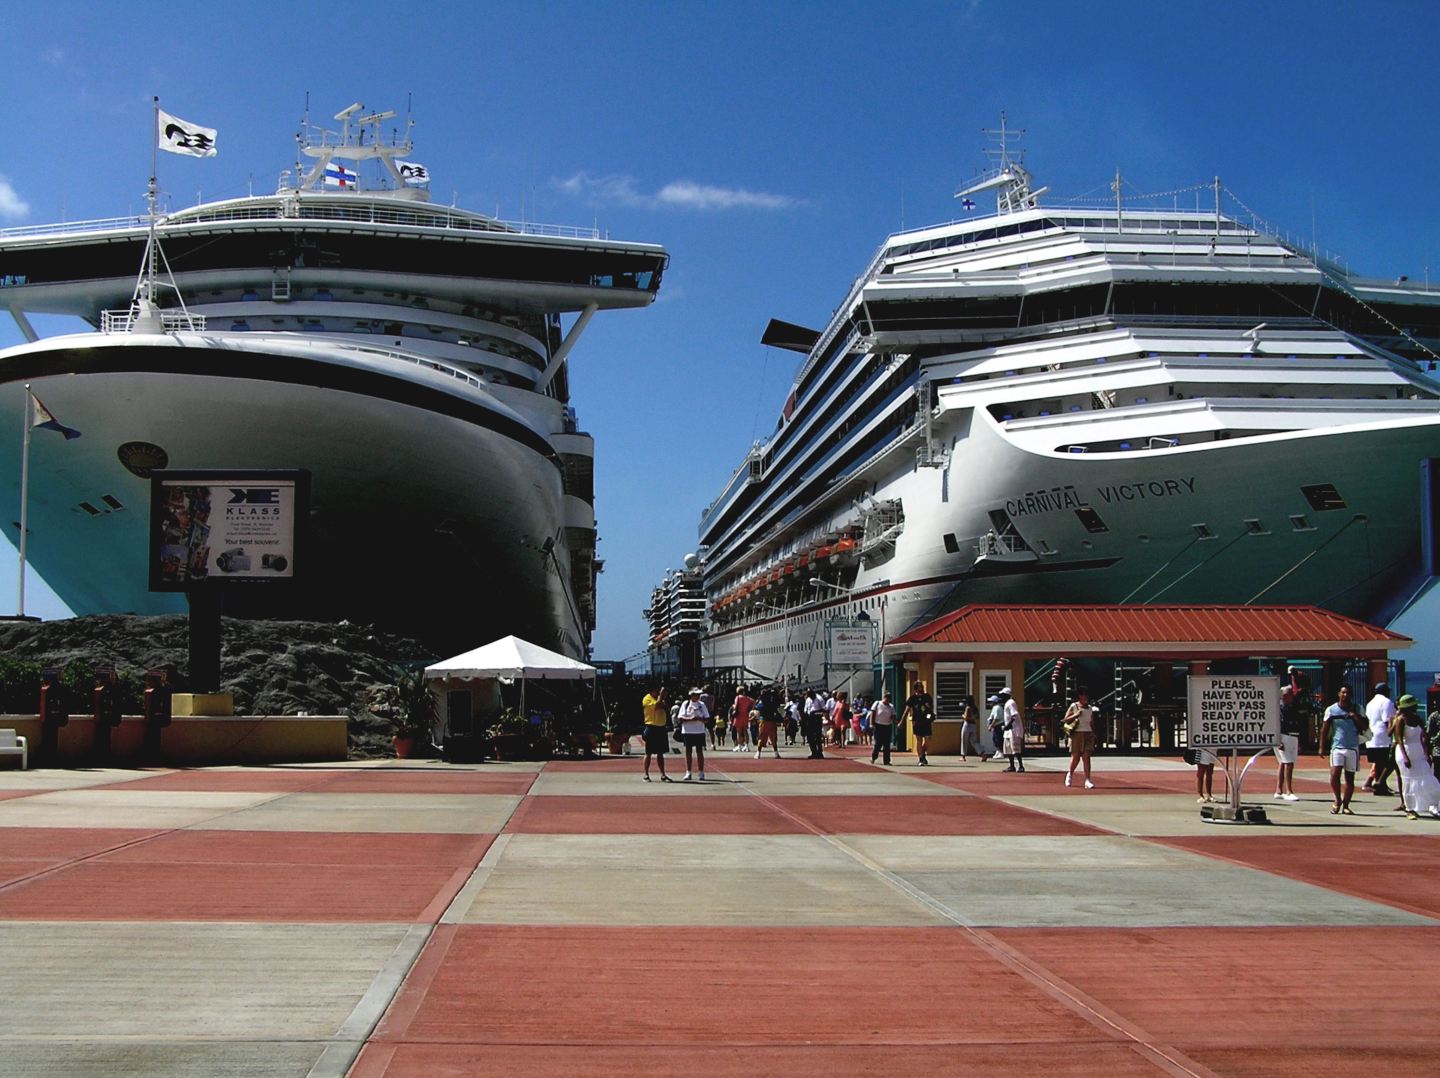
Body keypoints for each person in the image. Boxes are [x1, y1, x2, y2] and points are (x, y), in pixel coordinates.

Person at [1391, 693, 1440, 819]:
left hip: (1418, 751)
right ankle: (1409, 808)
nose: (1416, 707)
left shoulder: (1417, 719)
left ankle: (1431, 805)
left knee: (1428, 778)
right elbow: (1399, 740)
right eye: (1414, 705)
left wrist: (1426, 753)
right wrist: (1405, 757)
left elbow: (1423, 736)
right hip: (1405, 751)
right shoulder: (1401, 719)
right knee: (1408, 781)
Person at [1318, 684, 1364, 814]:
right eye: (1343, 693)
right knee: (1334, 774)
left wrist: (1355, 716)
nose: (1345, 695)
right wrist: (1321, 747)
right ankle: (1337, 799)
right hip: (1337, 747)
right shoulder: (1331, 710)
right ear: (1339, 694)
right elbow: (1325, 729)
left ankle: (1346, 805)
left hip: (1352, 747)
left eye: (1348, 693)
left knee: (1349, 778)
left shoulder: (1358, 708)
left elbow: (1364, 726)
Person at [1273, 668, 1306, 802]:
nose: (1291, 696)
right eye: (1288, 695)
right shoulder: (1279, 708)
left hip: (1293, 735)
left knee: (1283, 763)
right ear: (1282, 696)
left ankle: (1278, 790)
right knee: (1288, 763)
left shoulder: (1293, 707)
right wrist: (1278, 740)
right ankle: (1289, 791)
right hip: (1284, 736)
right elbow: (1276, 724)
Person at [1364, 682, 1398, 796]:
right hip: (1382, 737)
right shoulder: (1386, 702)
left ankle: (1380, 785)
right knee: (1386, 762)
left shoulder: (1370, 703)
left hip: (1371, 737)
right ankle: (1380, 784)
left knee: (1378, 763)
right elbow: (1388, 721)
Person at [1063, 687, 1095, 788]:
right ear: (1080, 696)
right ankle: (1070, 774)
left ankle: (1087, 779)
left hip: (1088, 733)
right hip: (1077, 734)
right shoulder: (1074, 706)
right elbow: (1065, 720)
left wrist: (1094, 733)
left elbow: (1092, 722)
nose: (1086, 697)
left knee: (1086, 757)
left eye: (1087, 695)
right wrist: (1076, 715)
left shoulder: (1090, 708)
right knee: (1076, 757)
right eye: (1084, 695)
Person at [640, 684, 673, 782]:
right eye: (657, 691)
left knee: (660, 753)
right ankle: (646, 774)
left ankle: (663, 774)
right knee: (648, 752)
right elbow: (656, 706)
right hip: (651, 727)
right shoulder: (647, 699)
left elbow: (667, 708)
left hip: (661, 728)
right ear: (652, 691)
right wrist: (661, 696)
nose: (658, 693)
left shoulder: (660, 699)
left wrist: (664, 698)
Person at [677, 687, 709, 781]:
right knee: (688, 751)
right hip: (688, 731)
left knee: (699, 751)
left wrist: (700, 719)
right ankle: (688, 772)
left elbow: (707, 719)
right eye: (696, 695)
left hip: (699, 731)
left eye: (698, 695)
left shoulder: (702, 705)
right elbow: (680, 718)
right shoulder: (686, 704)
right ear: (691, 695)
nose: (698, 696)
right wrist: (691, 719)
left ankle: (701, 772)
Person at [904, 680, 934, 766]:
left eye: (921, 686)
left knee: (928, 739)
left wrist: (929, 708)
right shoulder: (912, 698)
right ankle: (921, 758)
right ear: (915, 688)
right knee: (919, 740)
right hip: (917, 721)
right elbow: (907, 709)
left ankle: (923, 753)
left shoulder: (927, 697)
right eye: (919, 686)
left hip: (926, 721)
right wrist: (903, 721)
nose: (921, 688)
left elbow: (931, 707)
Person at [1001, 687, 1025, 772]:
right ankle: (1012, 766)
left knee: (1015, 748)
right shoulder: (1007, 703)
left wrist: (1008, 725)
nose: (1001, 697)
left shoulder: (1011, 703)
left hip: (1013, 730)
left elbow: (1014, 715)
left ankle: (1021, 766)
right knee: (1008, 748)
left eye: (1003, 695)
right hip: (1008, 730)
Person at [869, 691, 896, 765]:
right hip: (878, 726)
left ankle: (887, 761)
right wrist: (871, 723)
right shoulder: (877, 703)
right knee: (878, 743)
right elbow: (872, 714)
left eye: (889, 698)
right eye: (886, 697)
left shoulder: (891, 706)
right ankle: (874, 757)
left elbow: (893, 716)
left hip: (887, 726)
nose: (887, 699)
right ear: (883, 697)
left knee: (887, 744)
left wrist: (896, 722)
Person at [755, 690, 781, 760]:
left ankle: (758, 753)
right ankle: (776, 753)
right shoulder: (772, 702)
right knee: (773, 738)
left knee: (761, 737)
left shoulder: (762, 703)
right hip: (772, 721)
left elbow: (757, 707)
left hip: (764, 721)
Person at [803, 690, 826, 759]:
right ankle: (813, 752)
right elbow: (805, 709)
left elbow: (824, 710)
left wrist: (816, 713)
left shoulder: (819, 699)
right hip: (810, 718)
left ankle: (819, 752)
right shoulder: (808, 699)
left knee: (817, 736)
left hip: (817, 718)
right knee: (810, 737)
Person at [730, 686, 753, 752]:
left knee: (739, 732)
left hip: (739, 715)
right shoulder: (747, 698)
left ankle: (739, 746)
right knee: (745, 731)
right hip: (745, 715)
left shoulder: (737, 697)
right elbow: (753, 702)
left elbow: (736, 705)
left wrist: (734, 707)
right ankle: (747, 746)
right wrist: (750, 708)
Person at [987, 693, 1006, 761]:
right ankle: (998, 751)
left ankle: (1000, 752)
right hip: (996, 726)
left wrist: (991, 726)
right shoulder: (995, 708)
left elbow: (996, 718)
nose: (990, 703)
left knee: (998, 739)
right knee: (995, 739)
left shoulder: (997, 708)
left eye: (991, 702)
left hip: (999, 725)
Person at [959, 695, 979, 763]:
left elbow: (966, 718)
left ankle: (963, 756)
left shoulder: (968, 708)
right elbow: (977, 717)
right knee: (974, 741)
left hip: (967, 725)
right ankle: (982, 753)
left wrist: (963, 716)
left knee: (964, 740)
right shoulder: (975, 708)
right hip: (973, 725)